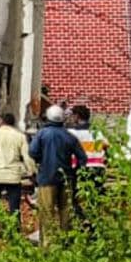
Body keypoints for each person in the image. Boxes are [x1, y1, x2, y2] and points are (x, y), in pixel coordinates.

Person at [28, 105, 88, 245]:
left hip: (47, 178)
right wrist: (74, 171)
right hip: (66, 179)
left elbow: (32, 152)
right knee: (66, 211)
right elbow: (83, 158)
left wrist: (40, 160)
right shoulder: (69, 136)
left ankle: (47, 245)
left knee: (47, 211)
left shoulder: (42, 134)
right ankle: (66, 242)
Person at [0, 112, 34, 218]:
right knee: (14, 206)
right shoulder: (20, 136)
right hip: (13, 176)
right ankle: (15, 229)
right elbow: (27, 157)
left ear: (2, 122)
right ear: (14, 123)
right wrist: (32, 171)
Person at [68, 105, 108, 207]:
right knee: (96, 195)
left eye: (73, 115)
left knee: (78, 195)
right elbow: (106, 145)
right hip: (97, 167)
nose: (72, 118)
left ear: (77, 116)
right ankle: (95, 217)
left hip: (80, 167)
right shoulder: (97, 132)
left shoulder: (73, 132)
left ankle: (82, 218)